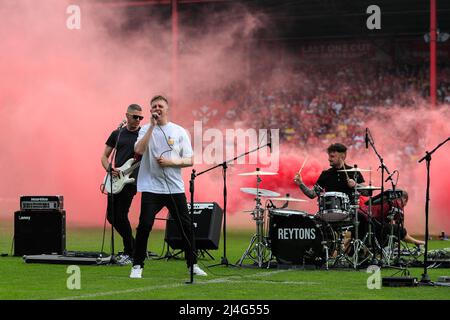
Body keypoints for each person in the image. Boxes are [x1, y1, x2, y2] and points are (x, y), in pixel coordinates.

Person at [129, 95, 207, 279]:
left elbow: (190, 160)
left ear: (167, 109)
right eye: (154, 106)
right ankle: (137, 265)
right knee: (144, 226)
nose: (157, 108)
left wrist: (171, 162)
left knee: (186, 227)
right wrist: (151, 128)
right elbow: (138, 151)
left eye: (160, 106)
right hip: (151, 187)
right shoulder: (145, 130)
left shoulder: (179, 131)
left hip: (174, 188)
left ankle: (192, 265)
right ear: (150, 111)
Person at [101, 104, 143, 265]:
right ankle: (134, 247)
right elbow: (104, 156)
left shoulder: (143, 134)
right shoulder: (117, 134)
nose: (138, 120)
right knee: (111, 217)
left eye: (141, 117)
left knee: (121, 215)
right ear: (127, 116)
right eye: (135, 117)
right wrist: (109, 169)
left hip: (130, 181)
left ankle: (130, 251)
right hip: (115, 179)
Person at [294, 143, 366, 201]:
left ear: (342, 157)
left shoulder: (354, 172)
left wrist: (355, 185)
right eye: (329, 156)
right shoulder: (326, 174)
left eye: (332, 156)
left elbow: (367, 192)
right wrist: (300, 183)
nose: (329, 159)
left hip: (351, 216)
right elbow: (312, 194)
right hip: (329, 216)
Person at [358, 190, 425, 247]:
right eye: (405, 203)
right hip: (371, 222)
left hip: (360, 218)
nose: (404, 205)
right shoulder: (397, 203)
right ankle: (417, 242)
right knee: (400, 230)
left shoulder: (384, 198)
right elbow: (399, 224)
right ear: (404, 199)